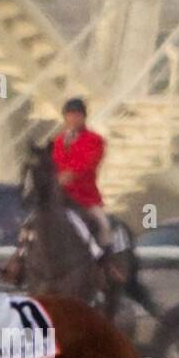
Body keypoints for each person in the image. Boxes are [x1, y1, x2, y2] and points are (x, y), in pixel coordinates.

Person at [51, 97, 113, 250]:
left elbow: (90, 163)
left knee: (103, 226)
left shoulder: (95, 140)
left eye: (77, 115)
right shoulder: (56, 142)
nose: (72, 119)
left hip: (85, 198)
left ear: (83, 117)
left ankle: (106, 263)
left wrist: (70, 174)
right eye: (69, 115)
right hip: (58, 197)